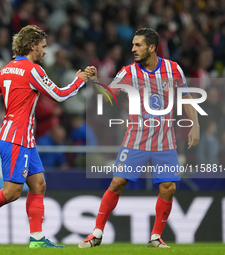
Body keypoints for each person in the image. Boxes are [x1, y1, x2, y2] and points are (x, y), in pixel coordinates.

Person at [0, 25, 87, 248]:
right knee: (11, 192)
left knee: (39, 183)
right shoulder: (33, 71)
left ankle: (36, 239)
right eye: (43, 47)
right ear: (32, 46)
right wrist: (79, 80)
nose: (45, 52)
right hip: (17, 139)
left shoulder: (7, 69)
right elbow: (60, 95)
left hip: (21, 138)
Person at [78, 28, 200, 248]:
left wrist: (195, 124)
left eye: (138, 45)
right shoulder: (128, 72)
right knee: (117, 182)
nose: (133, 49)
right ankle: (96, 233)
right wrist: (95, 83)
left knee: (168, 187)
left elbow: (187, 97)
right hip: (136, 138)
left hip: (165, 140)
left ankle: (155, 237)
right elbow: (107, 97)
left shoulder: (173, 69)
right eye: (133, 45)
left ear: (152, 48)